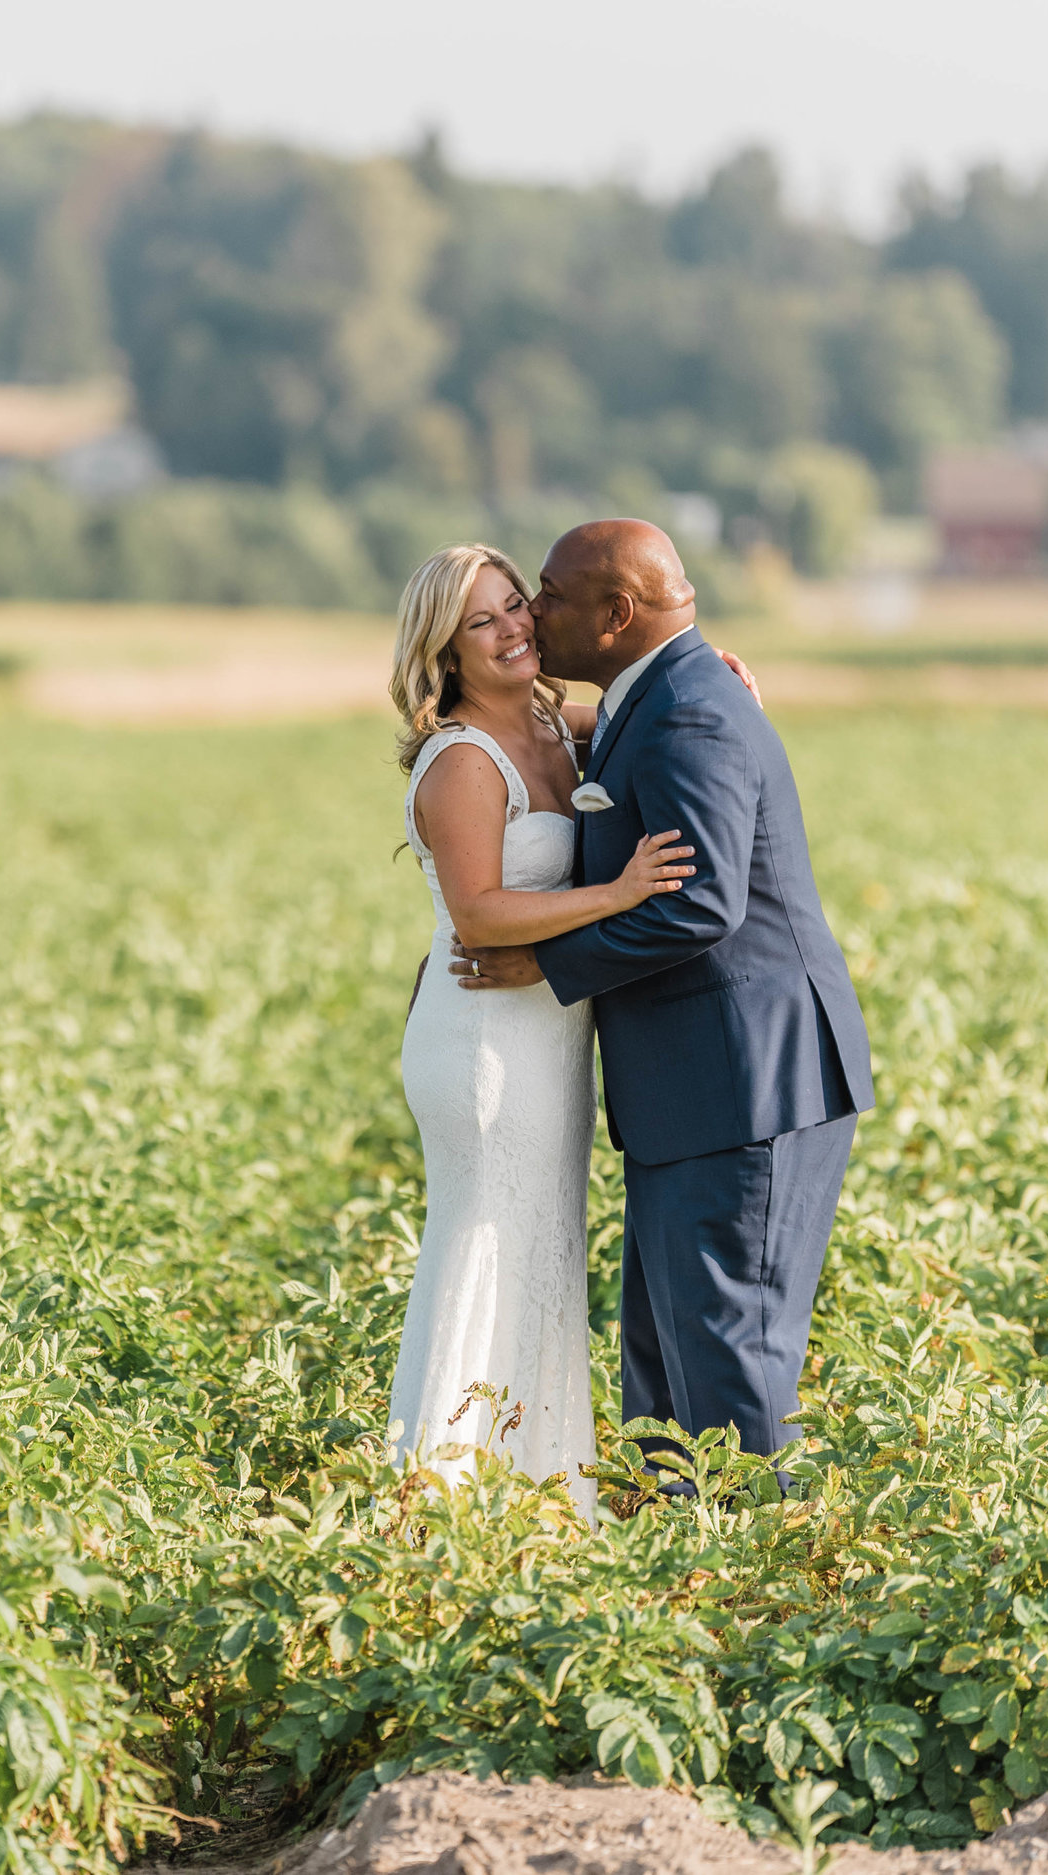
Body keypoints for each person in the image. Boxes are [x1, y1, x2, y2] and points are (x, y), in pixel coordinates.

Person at [455, 520, 872, 1492]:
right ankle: (677, 1587)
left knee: (729, 1365)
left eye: (550, 594)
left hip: (743, 1084)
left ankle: (764, 1601)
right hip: (698, 1087)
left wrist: (547, 963)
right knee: (669, 1360)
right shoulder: (664, 696)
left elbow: (701, 903)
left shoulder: (689, 711)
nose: (533, 613)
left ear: (616, 615)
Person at [385, 542, 758, 1517]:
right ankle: (441, 1500)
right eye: (483, 621)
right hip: (482, 1040)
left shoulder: (557, 725)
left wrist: (720, 684)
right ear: (445, 650)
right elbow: (479, 915)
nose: (514, 627)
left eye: (516, 605)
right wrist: (619, 891)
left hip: (547, 1039)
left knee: (545, 1250)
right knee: (486, 1244)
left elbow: (665, 709)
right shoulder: (461, 759)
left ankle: (536, 1500)